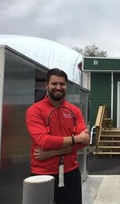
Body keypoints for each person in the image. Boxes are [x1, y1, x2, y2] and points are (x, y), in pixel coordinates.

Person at [25, 68, 90, 204]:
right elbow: (44, 142)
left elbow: (84, 141)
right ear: (46, 85)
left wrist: (52, 152)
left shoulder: (74, 111)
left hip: (71, 172)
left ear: (66, 85)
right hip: (42, 173)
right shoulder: (35, 110)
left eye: (62, 84)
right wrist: (76, 138)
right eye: (54, 84)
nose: (58, 87)